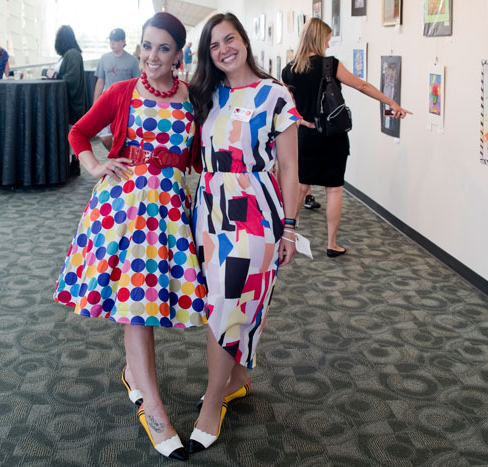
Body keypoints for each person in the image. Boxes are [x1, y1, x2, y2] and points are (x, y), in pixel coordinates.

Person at [53, 12, 204, 461]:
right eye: (146, 45)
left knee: (154, 303)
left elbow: (205, 149)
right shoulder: (122, 92)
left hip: (171, 212)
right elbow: (78, 132)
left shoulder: (194, 98)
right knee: (135, 305)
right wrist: (96, 165)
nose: (151, 56)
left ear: (179, 55)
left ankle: (134, 377)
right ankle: (154, 411)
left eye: (162, 48)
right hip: (122, 210)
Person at [187, 12, 300, 453]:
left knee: (229, 299)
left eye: (229, 39)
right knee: (225, 297)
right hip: (210, 207)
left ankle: (212, 401)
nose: (223, 50)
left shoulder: (275, 95)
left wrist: (289, 229)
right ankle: (234, 379)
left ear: (244, 40)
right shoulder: (204, 93)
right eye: (213, 46)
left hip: (255, 208)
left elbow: (290, 168)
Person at [281, 18, 411, 257]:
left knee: (300, 187)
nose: (329, 45)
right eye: (327, 39)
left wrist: (300, 121)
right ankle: (332, 244)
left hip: (305, 136)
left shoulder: (290, 69)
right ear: (319, 38)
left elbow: (285, 106)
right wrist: (391, 102)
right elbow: (361, 86)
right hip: (332, 136)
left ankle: (287, 233)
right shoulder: (329, 65)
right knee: (334, 190)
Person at [49, 25, 89, 175]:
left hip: (72, 103)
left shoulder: (72, 54)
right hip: (69, 102)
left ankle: (75, 163)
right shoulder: (70, 54)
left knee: (72, 131)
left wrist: (54, 76)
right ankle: (73, 162)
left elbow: (71, 79)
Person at [93, 28, 141, 150]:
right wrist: (95, 104)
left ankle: (120, 160)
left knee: (123, 136)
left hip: (125, 104)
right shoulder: (104, 58)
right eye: (111, 40)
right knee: (104, 137)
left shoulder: (132, 60)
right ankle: (116, 155)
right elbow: (100, 81)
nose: (112, 43)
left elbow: (137, 84)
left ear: (123, 42)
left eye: (116, 40)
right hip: (107, 102)